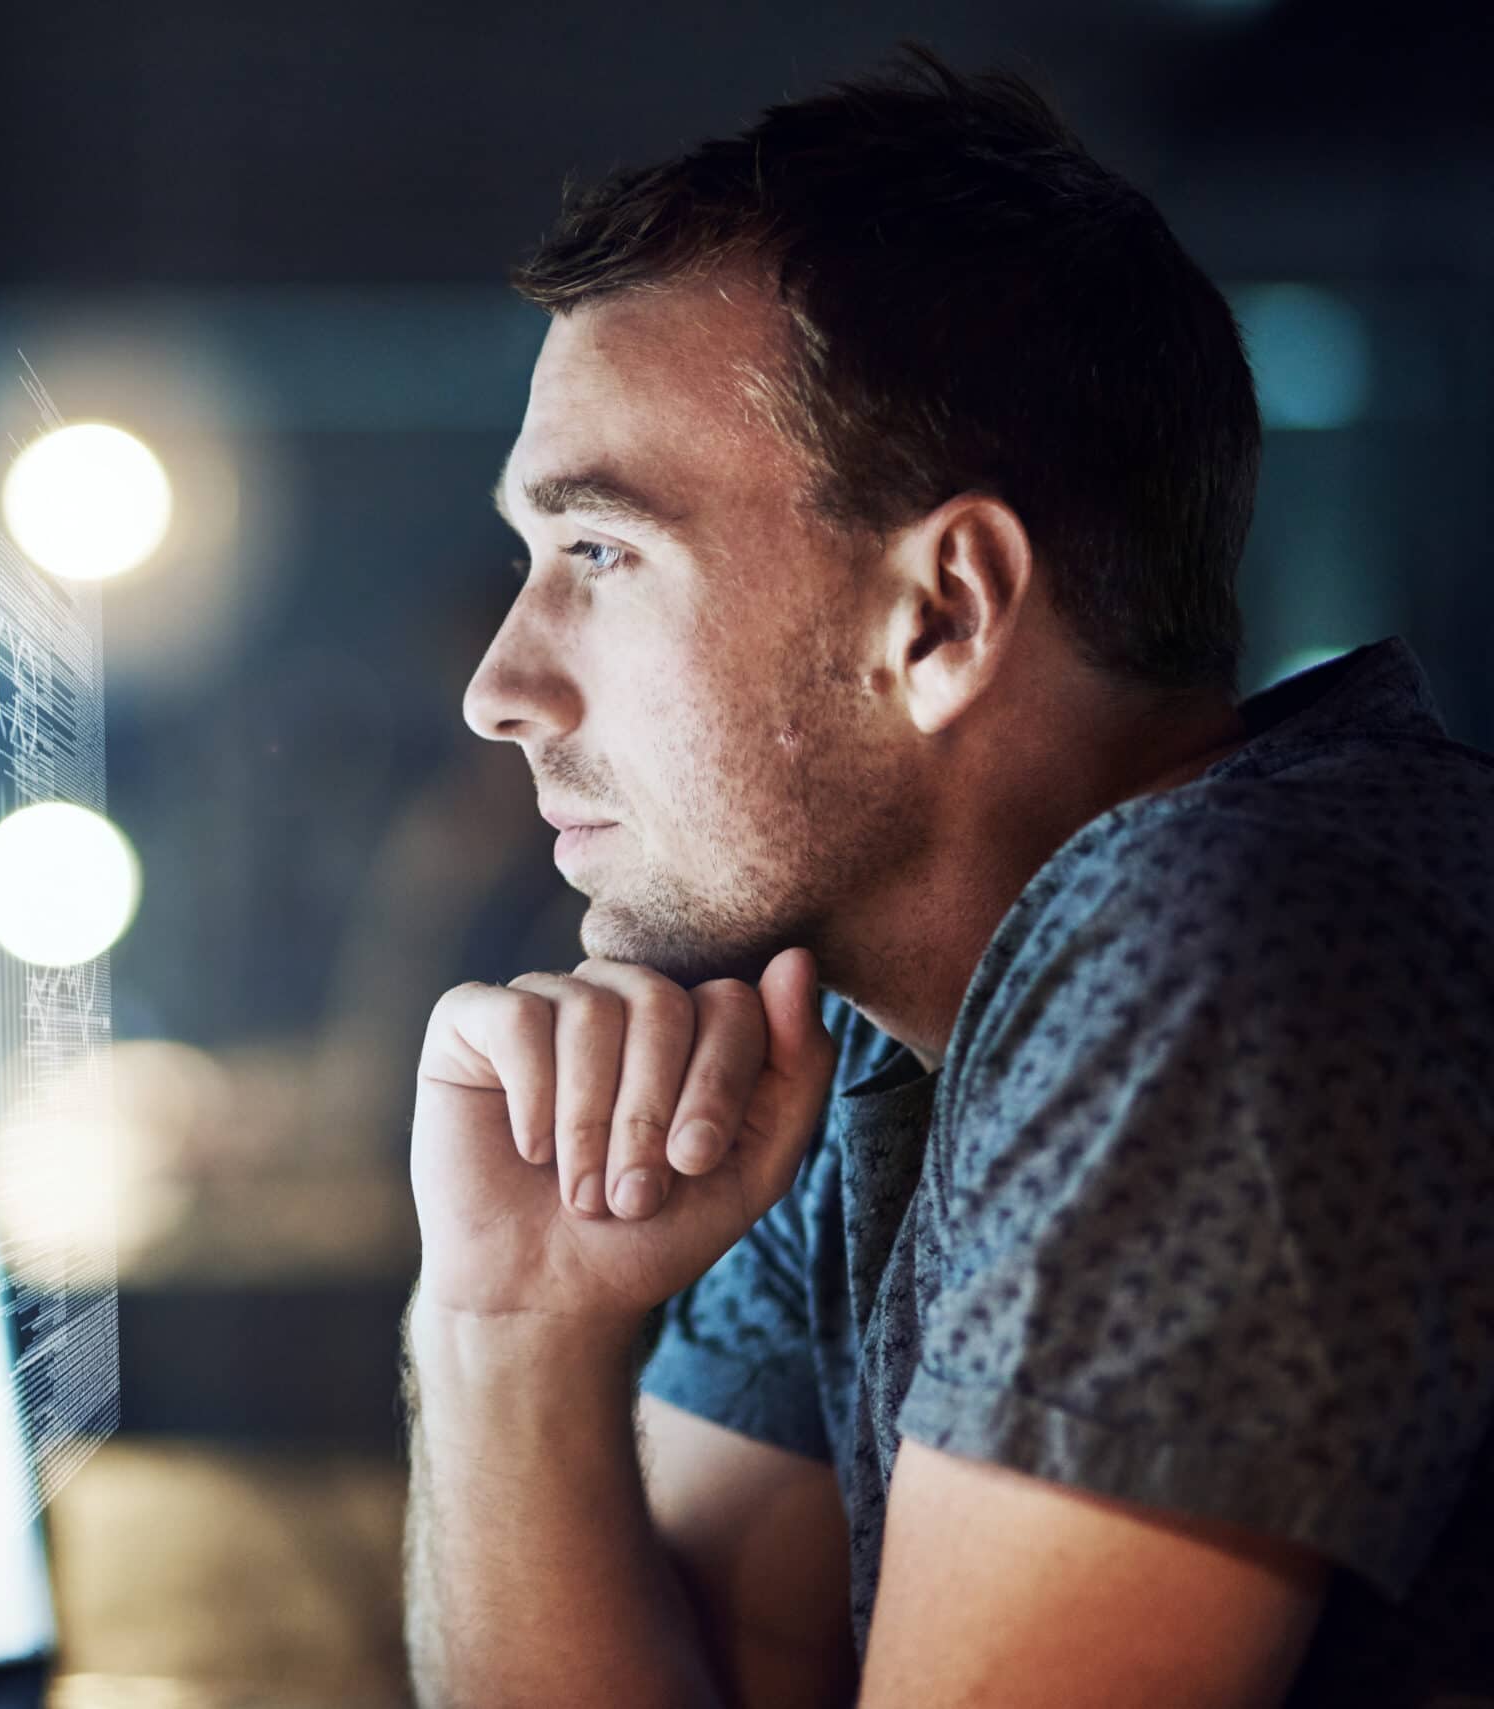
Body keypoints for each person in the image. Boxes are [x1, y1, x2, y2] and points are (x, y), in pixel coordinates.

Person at [400, 44, 1494, 1709]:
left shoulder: (1216, 944)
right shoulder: (869, 1036)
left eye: (602, 553)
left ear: (944, 614)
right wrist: (503, 1333)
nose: (499, 686)